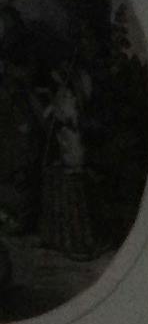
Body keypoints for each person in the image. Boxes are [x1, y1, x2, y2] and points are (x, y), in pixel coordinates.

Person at [39, 71, 90, 261]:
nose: (69, 96)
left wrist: (57, 103)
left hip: (73, 152)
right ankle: (56, 238)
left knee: (70, 173)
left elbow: (68, 120)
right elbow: (49, 116)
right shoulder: (61, 100)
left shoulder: (72, 104)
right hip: (65, 150)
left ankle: (76, 241)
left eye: (69, 94)